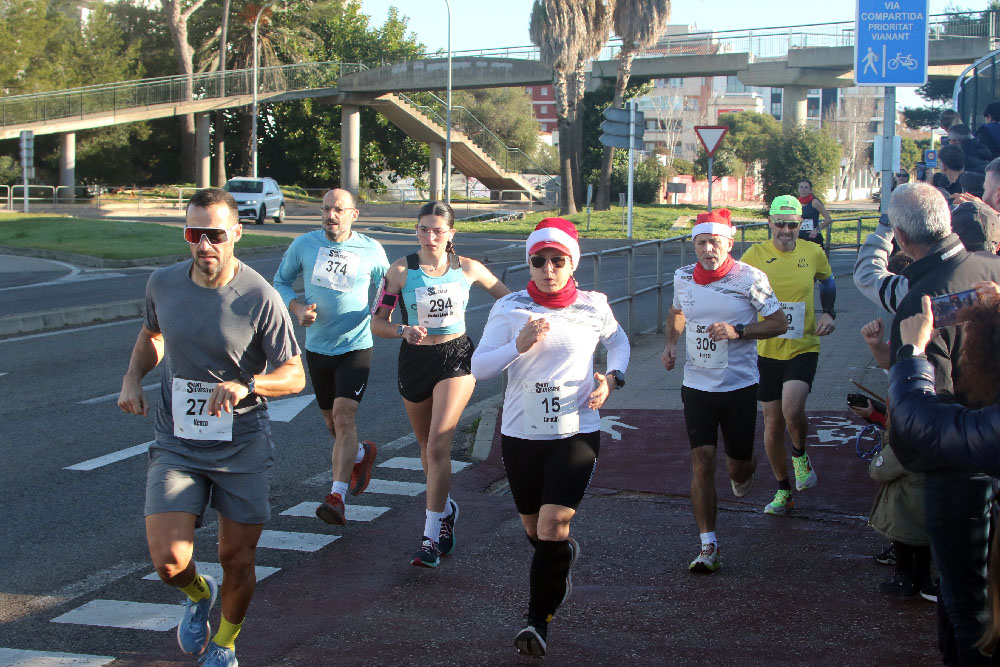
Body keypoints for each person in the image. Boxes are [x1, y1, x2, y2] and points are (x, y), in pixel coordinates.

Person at [118, 188, 305, 667]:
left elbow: (295, 375)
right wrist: (132, 378)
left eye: (215, 235)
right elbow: (153, 335)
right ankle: (198, 594)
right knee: (168, 561)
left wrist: (248, 386)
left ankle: (224, 644)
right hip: (177, 441)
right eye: (194, 234)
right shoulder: (163, 283)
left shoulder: (260, 297)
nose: (205, 245)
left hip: (240, 442)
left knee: (236, 558)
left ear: (236, 234)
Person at [470, 217, 630, 658]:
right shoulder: (510, 308)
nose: (547, 268)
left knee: (553, 524)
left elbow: (619, 343)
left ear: (571, 263)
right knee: (536, 532)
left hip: (577, 429)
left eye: (557, 260)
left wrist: (611, 379)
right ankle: (560, 559)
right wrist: (517, 346)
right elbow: (480, 369)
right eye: (538, 260)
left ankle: (536, 623)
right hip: (522, 433)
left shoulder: (594, 305)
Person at [886, 182, 1000, 667]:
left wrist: (904, 358)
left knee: (966, 604)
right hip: (984, 455)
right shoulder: (991, 270)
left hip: (958, 466)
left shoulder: (921, 300)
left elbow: (922, 423)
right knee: (975, 599)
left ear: (900, 237)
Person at [370, 201, 509, 567]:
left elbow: (510, 301)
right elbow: (377, 322)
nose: (430, 236)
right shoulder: (400, 270)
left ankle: (430, 536)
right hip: (415, 359)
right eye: (423, 229)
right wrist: (403, 329)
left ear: (451, 234)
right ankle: (444, 510)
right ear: (416, 231)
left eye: (437, 230)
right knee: (424, 446)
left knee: (437, 445)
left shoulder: (468, 269)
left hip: (456, 358)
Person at [661, 208, 787, 574]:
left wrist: (740, 332)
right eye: (701, 242)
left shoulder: (751, 278)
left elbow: (778, 322)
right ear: (694, 245)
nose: (707, 249)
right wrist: (670, 344)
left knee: (738, 467)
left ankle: (746, 469)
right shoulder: (683, 277)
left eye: (714, 242)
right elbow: (677, 311)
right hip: (696, 385)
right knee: (701, 461)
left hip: (739, 387)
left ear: (729, 243)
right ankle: (708, 544)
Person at [273, 188, 388, 526]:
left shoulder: (370, 249)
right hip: (318, 347)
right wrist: (295, 307)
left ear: (354, 214)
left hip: (356, 344)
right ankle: (361, 454)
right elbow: (280, 281)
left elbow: (390, 286)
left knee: (343, 417)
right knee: (331, 423)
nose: (330, 216)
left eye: (338, 209)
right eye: (325, 209)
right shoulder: (305, 245)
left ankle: (336, 495)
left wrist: (383, 314)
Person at [741, 195, 836, 516]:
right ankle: (783, 490)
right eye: (779, 223)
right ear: (769, 222)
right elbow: (734, 288)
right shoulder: (754, 255)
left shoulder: (813, 252)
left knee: (792, 408)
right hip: (766, 352)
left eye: (792, 224)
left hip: (803, 346)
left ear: (801, 225)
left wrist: (829, 313)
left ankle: (799, 454)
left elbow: (828, 281)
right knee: (772, 424)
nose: (785, 230)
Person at [796, 179, 834, 247]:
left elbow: (828, 219)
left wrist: (816, 230)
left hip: (812, 236)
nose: (803, 189)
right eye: (801, 187)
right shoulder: (795, 203)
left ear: (810, 190)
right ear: (798, 189)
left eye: (806, 187)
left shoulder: (814, 202)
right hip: (798, 237)